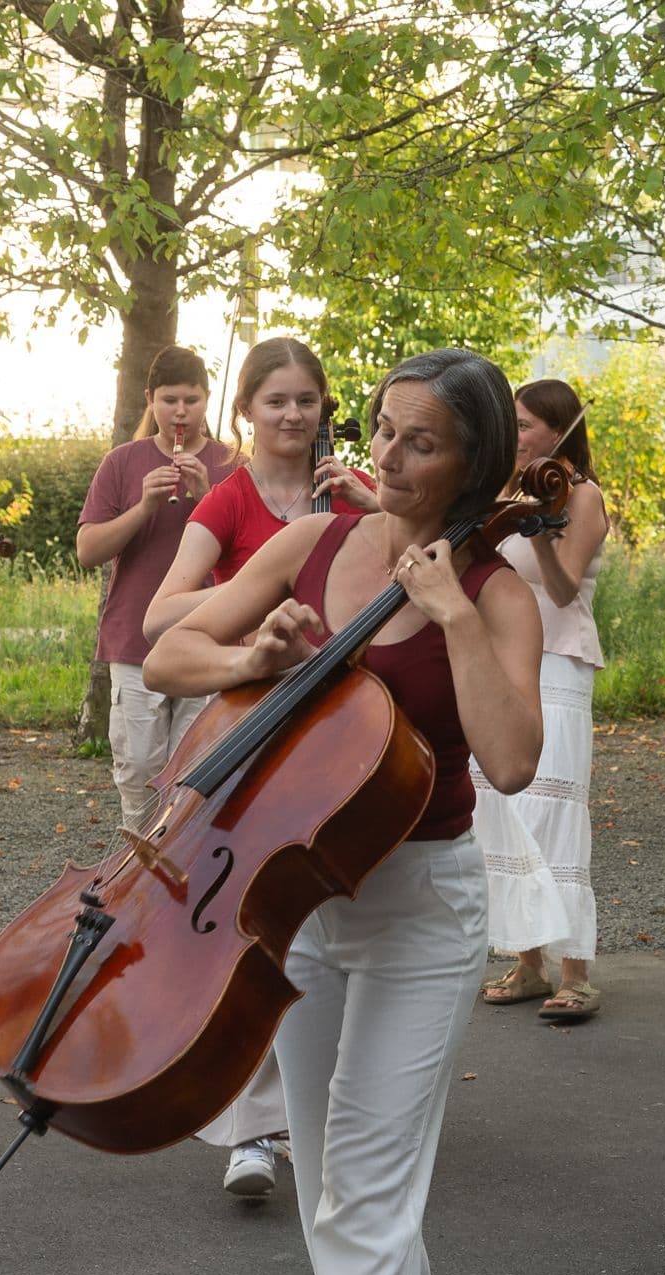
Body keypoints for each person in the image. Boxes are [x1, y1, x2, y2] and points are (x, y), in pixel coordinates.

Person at [145, 347, 544, 1275]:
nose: (388, 455)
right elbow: (167, 653)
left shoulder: (498, 588)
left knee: (369, 1182)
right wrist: (254, 658)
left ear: (471, 460)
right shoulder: (313, 540)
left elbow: (511, 757)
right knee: (331, 1183)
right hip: (305, 897)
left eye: (420, 441)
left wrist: (452, 615)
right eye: (381, 429)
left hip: (422, 906)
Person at [140, 337, 376, 1199]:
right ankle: (251, 1129)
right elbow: (160, 616)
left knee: (331, 914)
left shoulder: (351, 489)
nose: (293, 414)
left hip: (344, 721)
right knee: (258, 917)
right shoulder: (230, 499)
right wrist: (262, 588)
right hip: (253, 706)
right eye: (275, 400)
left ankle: (327, 1111)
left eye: (307, 399)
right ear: (245, 411)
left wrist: (373, 509)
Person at [471, 377, 610, 1022]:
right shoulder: (502, 492)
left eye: (525, 424)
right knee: (503, 805)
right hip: (503, 660)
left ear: (558, 431)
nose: (516, 435)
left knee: (553, 808)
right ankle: (528, 962)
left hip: (559, 660)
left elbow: (561, 589)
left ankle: (576, 971)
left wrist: (536, 532)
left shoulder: (580, 496)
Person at [78, 347, 233, 827]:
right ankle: (136, 865)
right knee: (140, 771)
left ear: (207, 399)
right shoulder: (122, 462)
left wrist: (208, 498)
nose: (180, 412)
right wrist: (144, 506)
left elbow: (253, 559)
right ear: (150, 399)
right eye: (169, 401)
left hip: (208, 638)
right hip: (133, 642)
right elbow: (88, 551)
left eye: (191, 400)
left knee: (197, 771)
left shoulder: (233, 464)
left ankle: (185, 864)